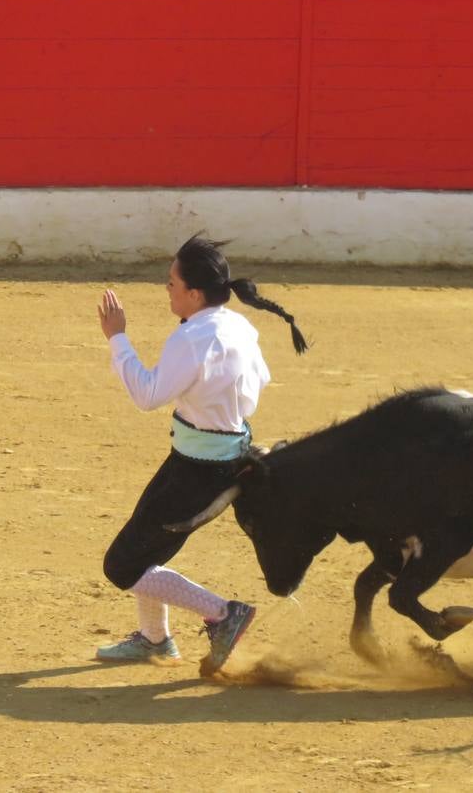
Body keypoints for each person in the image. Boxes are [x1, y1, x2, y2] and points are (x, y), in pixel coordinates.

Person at [94, 234, 307, 671]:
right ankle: (155, 639)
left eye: (171, 283)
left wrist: (118, 339)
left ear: (193, 293)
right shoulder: (239, 326)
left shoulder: (192, 338)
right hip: (223, 454)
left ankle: (224, 612)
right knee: (144, 543)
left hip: (198, 469)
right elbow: (260, 380)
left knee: (122, 565)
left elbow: (148, 395)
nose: (167, 289)